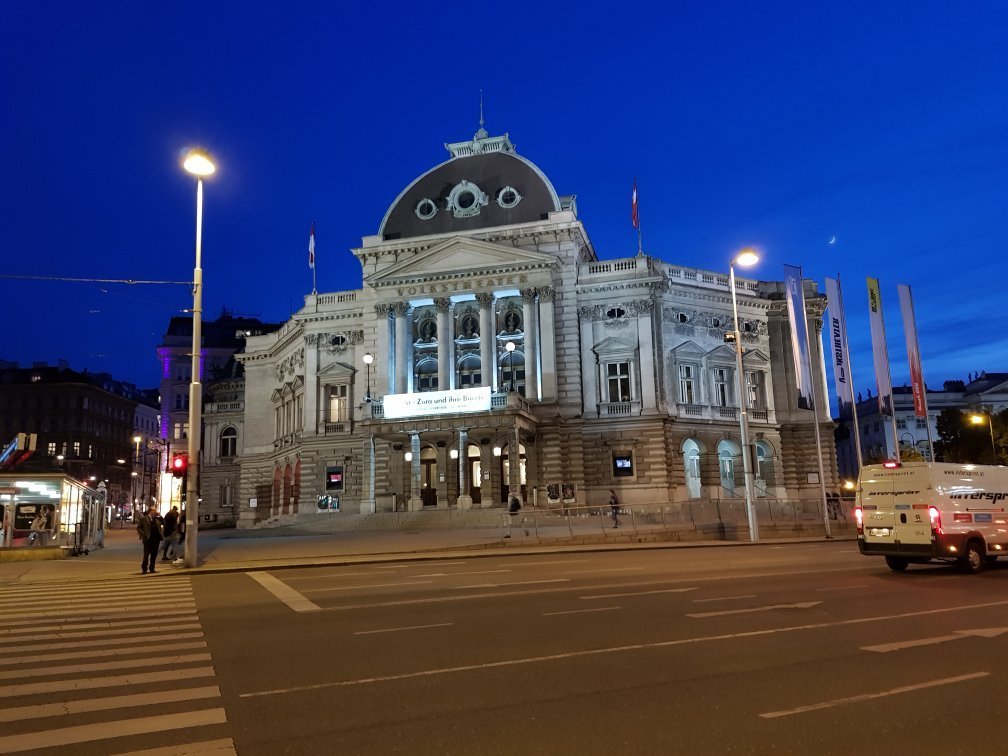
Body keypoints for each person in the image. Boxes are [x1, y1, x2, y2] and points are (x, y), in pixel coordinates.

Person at [136, 504, 164, 574]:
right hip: (148, 539)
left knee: (154, 555)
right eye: (153, 510)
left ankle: (152, 568)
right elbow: (139, 528)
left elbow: (164, 522)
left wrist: (160, 515)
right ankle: (144, 569)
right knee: (146, 554)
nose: (155, 512)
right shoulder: (144, 519)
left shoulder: (157, 519)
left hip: (156, 539)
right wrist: (144, 535)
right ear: (150, 511)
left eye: (155, 510)